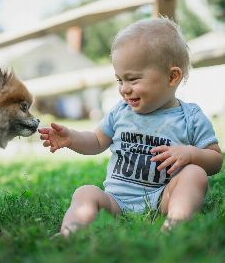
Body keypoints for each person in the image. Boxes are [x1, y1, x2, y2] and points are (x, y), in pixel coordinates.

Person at [38, 17, 223, 236]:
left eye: (133, 80)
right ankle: (69, 233)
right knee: (85, 192)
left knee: (195, 174)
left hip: (163, 198)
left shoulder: (190, 117)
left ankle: (175, 223)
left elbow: (215, 160)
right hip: (115, 201)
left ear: (172, 77)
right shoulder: (120, 111)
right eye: (119, 80)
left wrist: (190, 154)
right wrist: (72, 138)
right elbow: (97, 141)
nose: (124, 89)